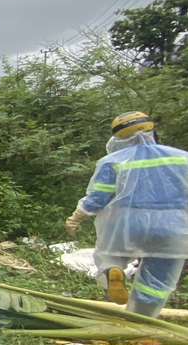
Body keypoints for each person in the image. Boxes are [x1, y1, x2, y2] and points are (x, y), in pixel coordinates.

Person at [65, 111, 188, 316]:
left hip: (126, 223)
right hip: (173, 226)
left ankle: (113, 270)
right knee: (157, 280)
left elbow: (99, 197)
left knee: (109, 255)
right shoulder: (182, 158)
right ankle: (142, 324)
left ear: (119, 137)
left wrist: (77, 217)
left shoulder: (112, 160)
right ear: (151, 130)